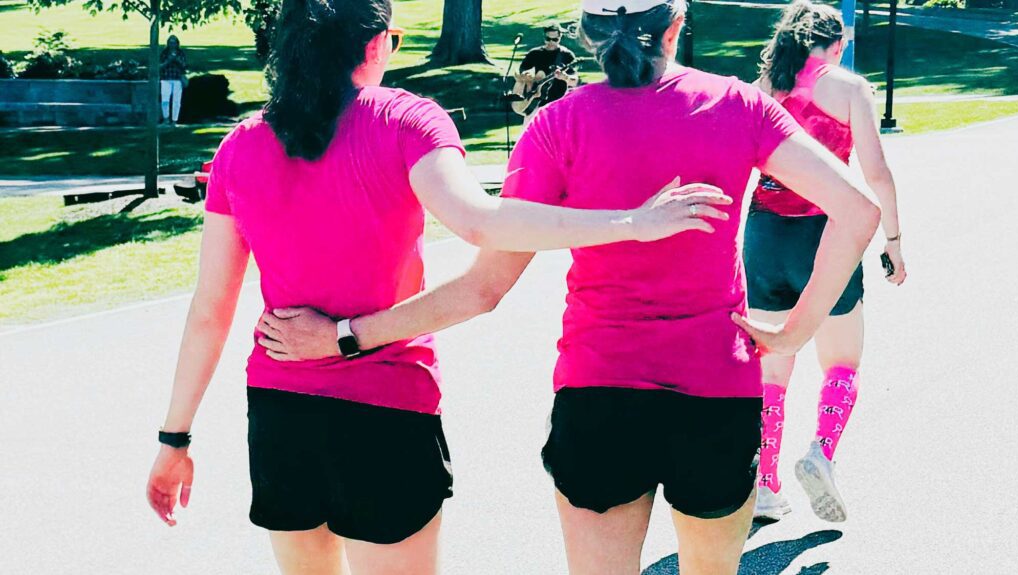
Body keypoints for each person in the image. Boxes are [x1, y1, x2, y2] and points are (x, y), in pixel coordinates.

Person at [258, 0, 880, 572]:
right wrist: (794, 331)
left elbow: (483, 289)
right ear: (675, 25)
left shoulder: (556, 126)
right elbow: (858, 210)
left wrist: (344, 336)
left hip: (598, 393)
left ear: (589, 34)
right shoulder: (738, 105)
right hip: (716, 388)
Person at [143, 0, 727, 573]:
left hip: (280, 410)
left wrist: (175, 439)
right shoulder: (405, 120)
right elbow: (480, 223)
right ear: (377, 44)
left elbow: (209, 311)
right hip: (385, 404)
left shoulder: (241, 145)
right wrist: (632, 223)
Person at [747, 0, 907, 524]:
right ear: (837, 44)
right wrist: (893, 239)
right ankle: (820, 453)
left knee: (773, 365)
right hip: (826, 233)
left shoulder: (767, 86)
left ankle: (765, 484)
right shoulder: (850, 88)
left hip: (765, 234)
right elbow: (876, 172)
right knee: (842, 362)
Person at [512, 24, 580, 123]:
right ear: (544, 37)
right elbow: (520, 74)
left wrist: (565, 78)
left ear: (560, 38)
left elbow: (575, 82)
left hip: (558, 106)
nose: (551, 42)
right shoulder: (534, 54)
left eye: (555, 39)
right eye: (548, 39)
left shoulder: (567, 55)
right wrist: (528, 78)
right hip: (534, 105)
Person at [159, 35, 187, 125]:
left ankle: (175, 120)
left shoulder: (180, 53)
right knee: (165, 100)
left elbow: (184, 66)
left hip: (177, 79)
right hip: (166, 78)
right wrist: (169, 60)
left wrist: (176, 59)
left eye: (174, 43)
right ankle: (166, 118)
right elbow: (160, 66)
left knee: (176, 101)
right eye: (170, 43)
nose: (172, 45)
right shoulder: (164, 53)